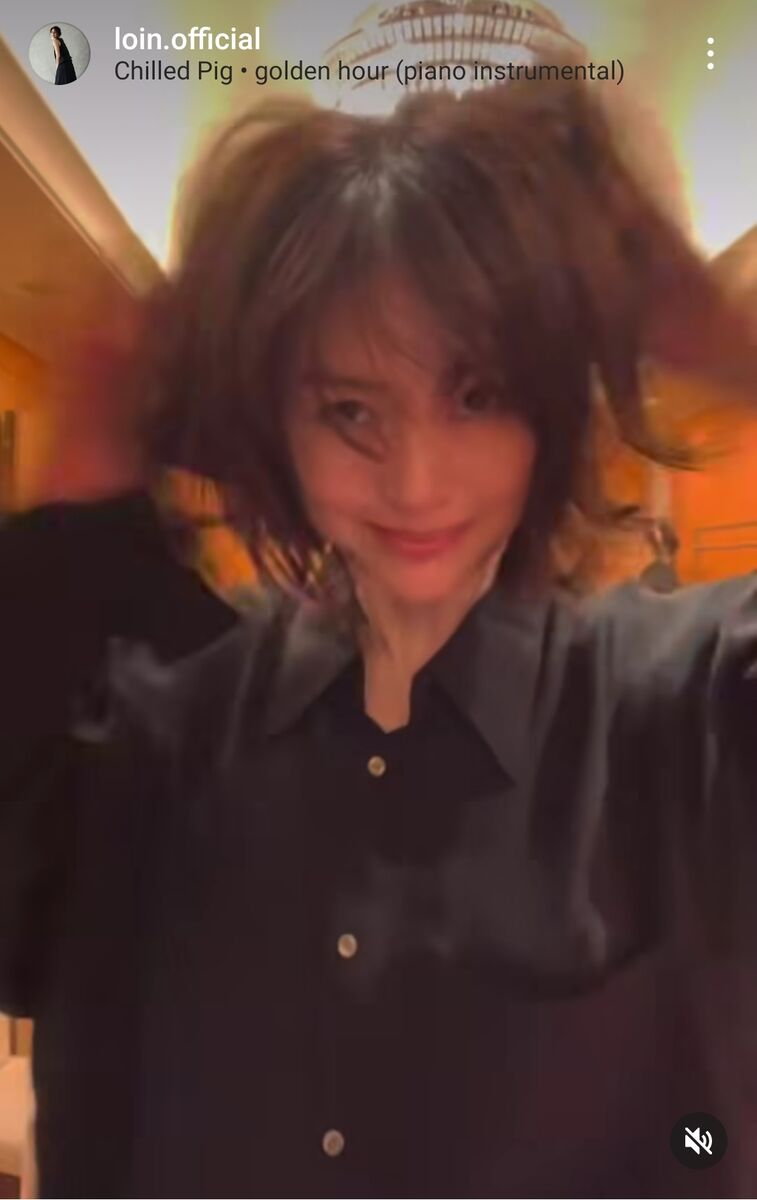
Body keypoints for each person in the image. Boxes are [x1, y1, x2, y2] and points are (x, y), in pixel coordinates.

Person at [2, 79, 757, 1199]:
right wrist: (97, 442)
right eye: (350, 412)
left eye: (476, 395)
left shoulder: (686, 711)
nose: (414, 483)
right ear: (278, 425)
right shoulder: (157, 735)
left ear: (546, 410)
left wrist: (728, 343)